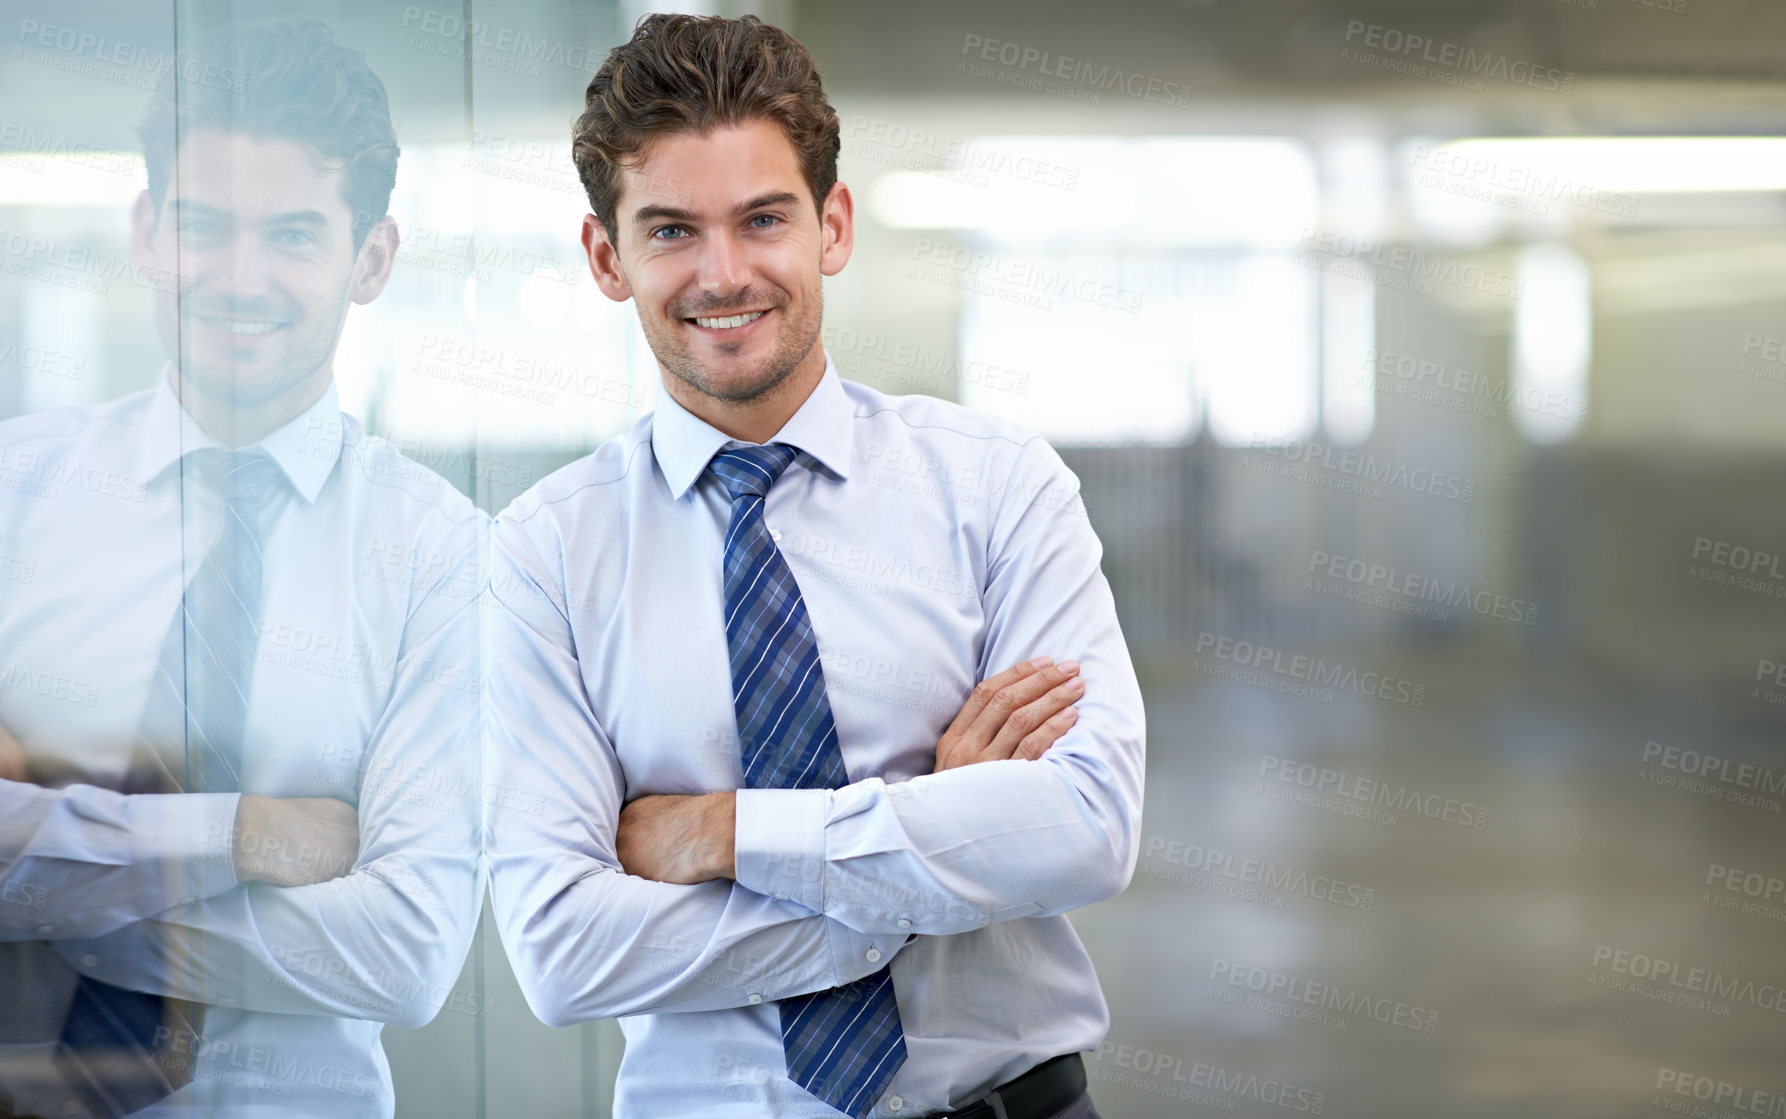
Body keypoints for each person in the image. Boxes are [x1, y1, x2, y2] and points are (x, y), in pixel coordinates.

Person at [484, 14, 1144, 1118]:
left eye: (762, 219)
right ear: (608, 259)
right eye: (671, 232)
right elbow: (567, 954)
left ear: (831, 226)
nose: (723, 273)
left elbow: (1084, 830)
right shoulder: (547, 551)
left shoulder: (996, 486)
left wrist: (725, 835)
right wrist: (934, 838)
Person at [0, 20, 481, 1118]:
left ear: (372, 259)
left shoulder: (437, 553)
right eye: (205, 228)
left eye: (294, 235)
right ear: (146, 230)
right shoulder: (13, 494)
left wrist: (49, 867)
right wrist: (241, 835)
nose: (239, 277)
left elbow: (402, 955)